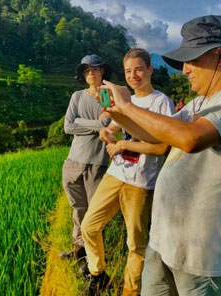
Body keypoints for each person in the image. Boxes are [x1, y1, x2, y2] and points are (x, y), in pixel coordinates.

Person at [100, 15, 221, 296]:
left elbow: (191, 139)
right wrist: (118, 113)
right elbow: (156, 134)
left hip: (199, 256)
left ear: (220, 55)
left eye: (192, 59)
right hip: (163, 241)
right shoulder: (198, 103)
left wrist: (129, 107)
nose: (185, 70)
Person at [81, 48, 174, 296]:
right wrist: (107, 133)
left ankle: (130, 292)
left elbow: (163, 146)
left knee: (135, 245)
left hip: (142, 182)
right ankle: (98, 274)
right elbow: (113, 126)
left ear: (150, 70)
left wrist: (124, 144)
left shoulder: (161, 102)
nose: (134, 76)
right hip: (116, 174)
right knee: (89, 226)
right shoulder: (127, 101)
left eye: (139, 69)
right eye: (128, 71)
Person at [60, 54, 113, 260]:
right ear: (84, 75)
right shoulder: (77, 96)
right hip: (73, 161)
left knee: (94, 212)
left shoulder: (106, 96)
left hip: (96, 162)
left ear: (102, 72)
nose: (91, 73)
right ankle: (78, 250)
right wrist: (96, 124)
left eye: (95, 69)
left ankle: (95, 256)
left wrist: (86, 123)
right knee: (78, 208)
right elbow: (68, 126)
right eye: (87, 70)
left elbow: (109, 123)